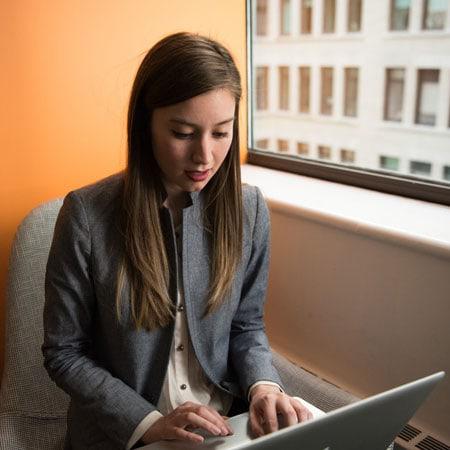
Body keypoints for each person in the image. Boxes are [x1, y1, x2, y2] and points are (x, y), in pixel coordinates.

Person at [42, 32, 312, 450]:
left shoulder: (249, 208)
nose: (204, 156)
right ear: (145, 124)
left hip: (228, 428)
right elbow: (64, 352)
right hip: (129, 433)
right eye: (184, 133)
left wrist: (263, 386)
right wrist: (146, 422)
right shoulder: (85, 215)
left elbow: (246, 324)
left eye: (221, 133)